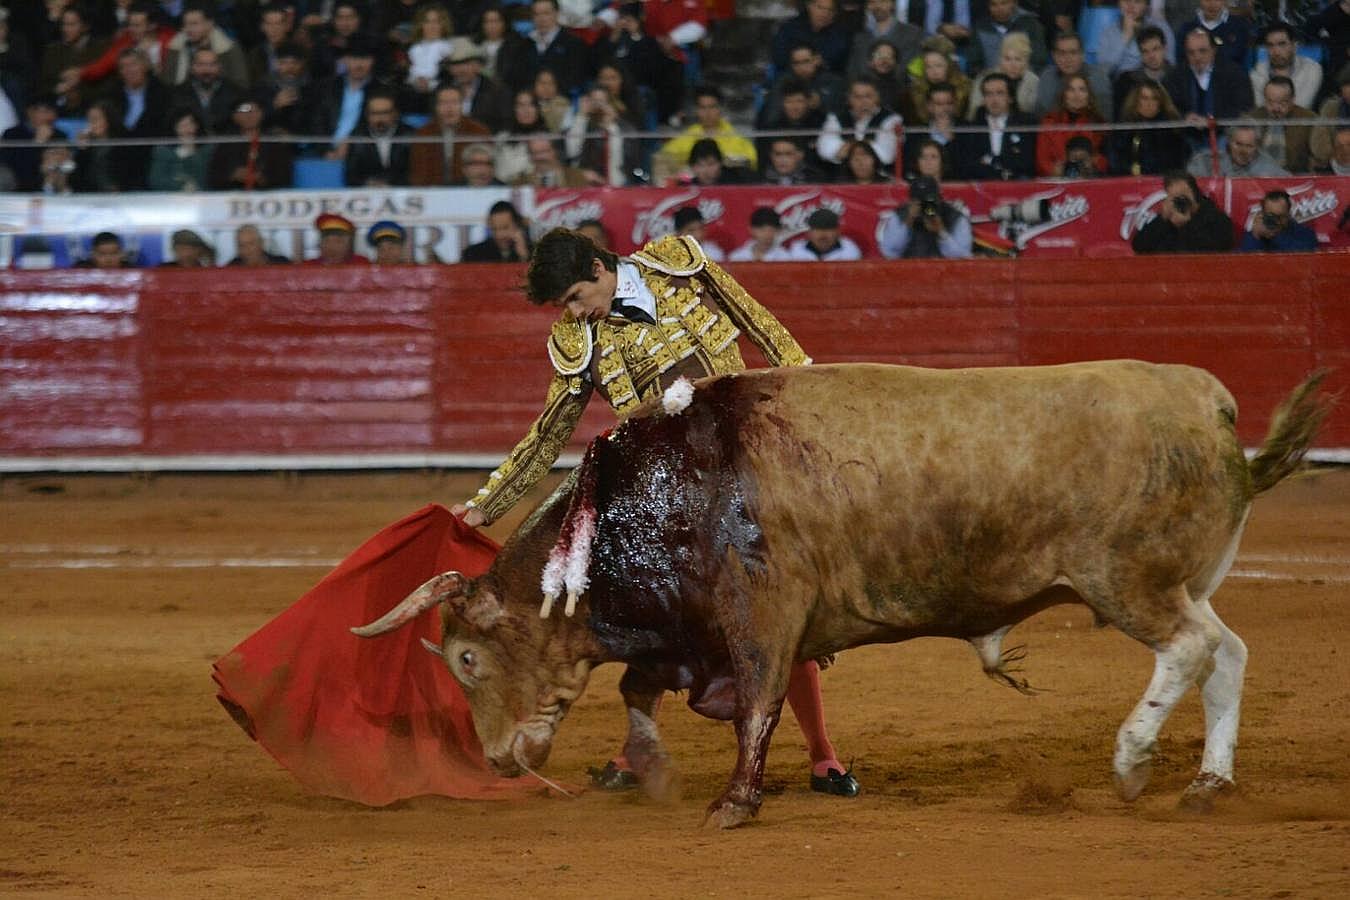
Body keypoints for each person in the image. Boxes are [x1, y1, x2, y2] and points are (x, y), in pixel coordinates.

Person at [450, 226, 861, 799]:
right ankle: (634, 749)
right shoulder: (578, 338)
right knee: (659, 618)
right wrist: (485, 506)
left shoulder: (678, 264)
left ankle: (823, 754)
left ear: (597, 268)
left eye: (574, 297)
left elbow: (759, 323)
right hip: (667, 488)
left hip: (749, 465)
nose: (574, 313)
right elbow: (548, 435)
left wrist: (812, 401)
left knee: (780, 609)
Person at [1163, 28, 1253, 131]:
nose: (1197, 57)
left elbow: (1243, 107)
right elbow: (1168, 106)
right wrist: (1184, 117)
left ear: (1214, 50)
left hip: (1224, 132)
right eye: (1191, 52)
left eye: (1202, 51)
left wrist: (1213, 121)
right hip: (1187, 133)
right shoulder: (1174, 76)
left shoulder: (1235, 74)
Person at [956, 71, 1038, 180]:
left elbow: (1026, 162)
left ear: (1010, 97)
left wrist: (991, 161)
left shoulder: (1026, 124)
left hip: (1017, 185)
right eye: (989, 94)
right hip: (982, 185)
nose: (994, 100)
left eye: (1000, 93)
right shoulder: (972, 128)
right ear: (983, 99)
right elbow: (969, 165)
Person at [1131, 170, 1235, 254]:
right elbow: (1139, 247)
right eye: (1174, 198)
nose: (1180, 202)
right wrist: (1162, 219)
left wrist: (1185, 227)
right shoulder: (1166, 220)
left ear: (1195, 194)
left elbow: (1208, 252)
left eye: (1183, 197)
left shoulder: (1218, 221)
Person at [659, 84, 757, 173]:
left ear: (720, 109)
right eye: (702, 107)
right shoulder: (687, 137)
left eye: (712, 107)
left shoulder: (735, 138)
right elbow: (664, 158)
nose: (707, 112)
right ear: (697, 110)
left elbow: (751, 161)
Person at [410, 83, 493, 186]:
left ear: (462, 105)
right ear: (435, 106)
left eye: (455, 102)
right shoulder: (423, 134)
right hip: (433, 193)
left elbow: (488, 170)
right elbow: (419, 174)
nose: (450, 108)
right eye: (443, 103)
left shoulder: (479, 131)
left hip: (469, 191)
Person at [817, 75, 902, 174]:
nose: (863, 102)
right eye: (857, 97)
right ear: (849, 98)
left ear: (877, 97)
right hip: (844, 178)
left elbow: (885, 156)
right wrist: (866, 145)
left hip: (879, 178)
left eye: (868, 96)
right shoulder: (836, 118)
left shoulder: (891, 119)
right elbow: (825, 150)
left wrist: (848, 147)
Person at [879, 174, 974, 259]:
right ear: (910, 202)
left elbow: (963, 257)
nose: (925, 206)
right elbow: (889, 253)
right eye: (919, 202)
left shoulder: (955, 218)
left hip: (946, 274)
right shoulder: (900, 215)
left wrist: (941, 232)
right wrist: (907, 224)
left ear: (939, 199)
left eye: (929, 202)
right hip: (910, 273)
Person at [161, 1, 249, 89]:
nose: (188, 29)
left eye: (194, 24)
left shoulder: (229, 48)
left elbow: (241, 84)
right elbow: (167, 83)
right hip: (182, 99)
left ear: (210, 23)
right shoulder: (176, 47)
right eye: (185, 24)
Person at [1036, 73, 1109, 176]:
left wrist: (1092, 165)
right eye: (1071, 90)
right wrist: (1059, 172)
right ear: (1064, 95)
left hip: (1090, 181)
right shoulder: (1050, 122)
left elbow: (1104, 160)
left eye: (1082, 90)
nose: (1076, 95)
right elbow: (1042, 161)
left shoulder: (1099, 124)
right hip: (1056, 182)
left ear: (1089, 95)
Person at [1109, 81, 1188, 175]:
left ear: (1161, 103)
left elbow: (1176, 165)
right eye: (1144, 98)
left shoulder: (1173, 131)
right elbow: (1115, 163)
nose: (1149, 104)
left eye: (1155, 99)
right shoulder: (1122, 130)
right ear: (1135, 101)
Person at [1033, 31, 1114, 119]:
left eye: (1073, 53)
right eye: (1062, 53)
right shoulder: (1047, 77)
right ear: (1054, 56)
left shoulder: (1098, 78)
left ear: (1082, 55)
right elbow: (1041, 116)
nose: (1068, 59)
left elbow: (1105, 119)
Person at [343, 88, 414, 186]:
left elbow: (417, 172)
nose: (380, 119)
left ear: (395, 114)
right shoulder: (357, 137)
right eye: (374, 113)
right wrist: (368, 184)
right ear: (367, 115)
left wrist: (391, 185)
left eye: (385, 113)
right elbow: (351, 176)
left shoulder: (411, 135)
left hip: (403, 193)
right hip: (368, 194)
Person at [441, 41, 514, 133]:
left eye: (466, 63)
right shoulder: (441, 90)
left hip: (486, 143)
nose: (461, 69)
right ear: (449, 68)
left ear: (478, 65)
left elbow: (505, 124)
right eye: (455, 64)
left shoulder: (497, 91)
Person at [1249, 76, 1317, 173]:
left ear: (1293, 99)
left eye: (1282, 102)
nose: (1276, 108)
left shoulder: (1308, 120)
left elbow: (1317, 157)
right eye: (1270, 102)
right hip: (1257, 177)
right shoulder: (1252, 119)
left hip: (1295, 177)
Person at [169, 47, 243, 135]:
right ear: (192, 67)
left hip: (225, 143)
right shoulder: (177, 93)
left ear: (220, 67)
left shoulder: (235, 92)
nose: (207, 70)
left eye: (212, 65)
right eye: (201, 64)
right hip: (190, 143)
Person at [1250, 21, 1322, 110]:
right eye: (1270, 45)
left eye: (1282, 44)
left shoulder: (1312, 69)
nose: (1276, 51)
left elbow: (1302, 106)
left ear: (1294, 46)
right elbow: (1261, 109)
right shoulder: (1257, 72)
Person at [966, 31, 1040, 118]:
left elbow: (1036, 113)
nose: (1013, 65)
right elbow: (973, 112)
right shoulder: (984, 78)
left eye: (1018, 59)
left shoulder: (1033, 81)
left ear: (1026, 61)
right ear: (1000, 60)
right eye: (1007, 59)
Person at [1095, 0, 1174, 79]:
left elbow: (1170, 65)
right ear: (1119, 3)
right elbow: (1103, 72)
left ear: (1146, 5)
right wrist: (1125, 37)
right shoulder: (1108, 33)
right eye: (1126, 1)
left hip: (1155, 83)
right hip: (1122, 85)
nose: (1131, 6)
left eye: (1137, 1)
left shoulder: (1161, 27)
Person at [966, 0, 1049, 75]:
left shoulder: (1031, 25)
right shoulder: (980, 27)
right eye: (993, 4)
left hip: (1024, 80)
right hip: (990, 83)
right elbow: (973, 63)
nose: (999, 8)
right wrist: (986, 76)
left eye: (1004, 3)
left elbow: (1039, 61)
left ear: (1014, 3)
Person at [771, 0, 852, 75]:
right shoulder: (790, 27)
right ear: (809, 6)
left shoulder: (840, 33)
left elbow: (835, 56)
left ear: (835, 13)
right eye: (820, 7)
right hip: (789, 76)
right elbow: (779, 56)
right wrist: (799, 65)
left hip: (824, 79)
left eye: (830, 10)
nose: (825, 13)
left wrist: (817, 62)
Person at [148, 107, 214, 191]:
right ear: (174, 128)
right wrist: (180, 186)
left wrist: (192, 152)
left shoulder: (208, 148)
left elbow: (208, 178)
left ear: (197, 126)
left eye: (190, 124)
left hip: (203, 196)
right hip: (171, 197)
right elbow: (156, 180)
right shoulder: (163, 150)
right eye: (182, 126)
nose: (187, 129)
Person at [1187, 123, 1290, 176]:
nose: (1243, 151)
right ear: (1229, 142)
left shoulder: (1269, 167)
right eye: (1238, 144)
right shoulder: (1205, 161)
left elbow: (1290, 183)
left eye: (1249, 146)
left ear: (1257, 146)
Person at [1174, 0, 1253, 70]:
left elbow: (1243, 62)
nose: (1212, 4)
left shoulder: (1239, 27)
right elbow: (1181, 64)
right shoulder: (1186, 29)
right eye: (1207, 0)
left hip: (1232, 82)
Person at [1238, 189, 1318, 253]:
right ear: (1262, 213)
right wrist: (1255, 235)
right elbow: (1244, 261)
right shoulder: (1257, 234)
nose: (1276, 220)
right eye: (1271, 216)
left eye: (1280, 217)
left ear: (1288, 213)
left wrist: (1276, 236)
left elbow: (1304, 255)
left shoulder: (1304, 233)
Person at [461, 200, 532, 262]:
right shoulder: (473, 254)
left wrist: (524, 256)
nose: (499, 235)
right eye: (494, 229)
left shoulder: (536, 254)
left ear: (517, 225)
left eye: (505, 228)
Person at [787, 207, 862, 260]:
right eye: (818, 230)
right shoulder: (797, 250)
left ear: (838, 232)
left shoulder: (849, 249)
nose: (823, 235)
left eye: (828, 229)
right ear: (809, 233)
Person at [306, 212, 371, 265]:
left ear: (349, 245)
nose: (332, 247)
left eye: (338, 242)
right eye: (327, 241)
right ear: (320, 244)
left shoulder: (360, 264)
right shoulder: (308, 267)